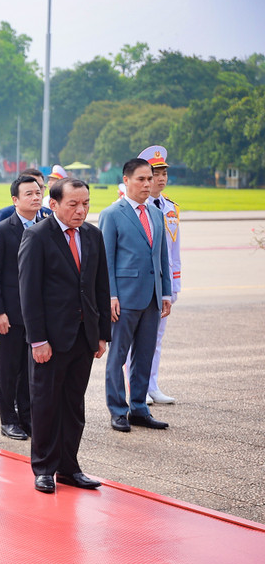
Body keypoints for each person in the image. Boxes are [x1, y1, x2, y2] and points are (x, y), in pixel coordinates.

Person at [19, 178, 111, 494]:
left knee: (74, 406)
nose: (81, 210)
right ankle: (44, 469)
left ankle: (69, 468)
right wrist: (37, 340)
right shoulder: (37, 237)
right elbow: (29, 293)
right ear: (54, 204)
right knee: (45, 405)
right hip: (50, 341)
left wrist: (102, 335)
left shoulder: (93, 236)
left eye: (85, 203)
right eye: (73, 204)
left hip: (83, 338)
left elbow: (100, 286)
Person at [100, 158, 172, 433]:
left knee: (144, 356)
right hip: (124, 299)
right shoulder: (113, 214)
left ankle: (139, 408)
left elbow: (161, 256)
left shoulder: (156, 213)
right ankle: (118, 410)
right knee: (117, 356)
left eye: (149, 179)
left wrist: (165, 292)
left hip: (152, 298)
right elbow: (106, 260)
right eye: (141, 179)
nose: (147, 184)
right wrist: (111, 296)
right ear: (126, 180)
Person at [0, 174, 44, 441]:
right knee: (9, 369)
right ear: (15, 200)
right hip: (9, 312)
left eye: (38, 192)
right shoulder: (1, 230)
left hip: (38, 313)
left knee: (31, 368)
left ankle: (27, 417)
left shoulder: (47, 225)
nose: (35, 197)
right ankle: (8, 419)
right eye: (29, 194)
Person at [140, 145, 182, 405]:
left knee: (156, 338)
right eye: (155, 172)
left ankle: (151, 384)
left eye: (164, 172)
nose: (161, 178)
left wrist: (174, 285)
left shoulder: (170, 208)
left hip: (162, 283)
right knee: (135, 342)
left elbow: (174, 250)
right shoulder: (131, 208)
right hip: (139, 284)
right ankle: (137, 387)